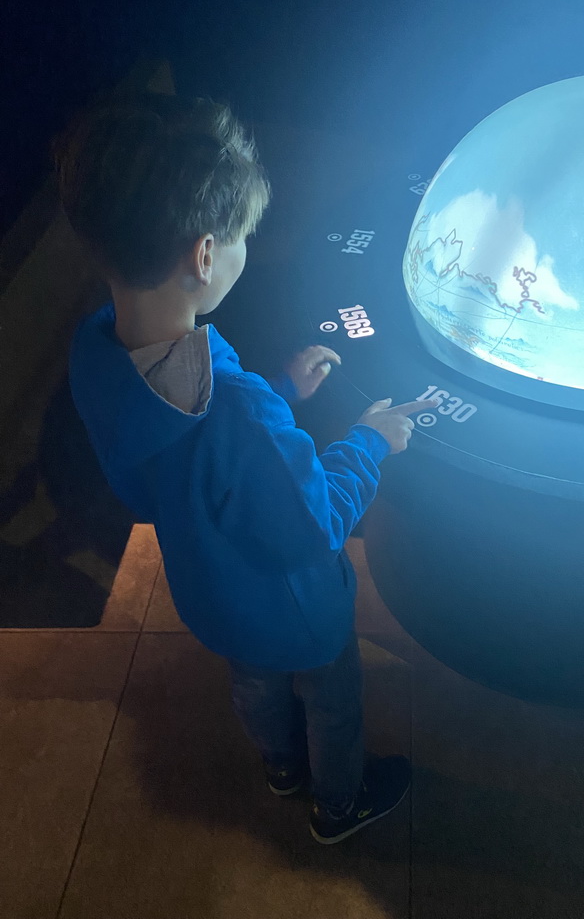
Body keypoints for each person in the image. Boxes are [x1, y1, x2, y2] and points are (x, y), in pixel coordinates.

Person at [55, 90, 439, 844]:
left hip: (209, 595)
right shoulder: (237, 411)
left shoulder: (95, 350)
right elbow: (318, 524)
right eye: (240, 238)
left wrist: (280, 388)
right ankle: (339, 801)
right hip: (297, 606)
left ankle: (280, 767)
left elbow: (162, 465)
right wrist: (369, 438)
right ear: (204, 255)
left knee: (255, 684)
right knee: (330, 698)